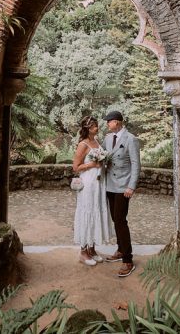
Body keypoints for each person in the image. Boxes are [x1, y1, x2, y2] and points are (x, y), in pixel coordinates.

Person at [102, 109, 141, 277]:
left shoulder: (131, 139)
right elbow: (103, 158)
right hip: (110, 185)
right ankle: (119, 249)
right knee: (115, 219)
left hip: (123, 186)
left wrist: (131, 187)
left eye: (108, 122)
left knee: (120, 220)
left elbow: (136, 164)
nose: (107, 124)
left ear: (116, 121)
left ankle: (128, 259)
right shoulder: (107, 138)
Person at [71, 115, 114, 266]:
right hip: (88, 184)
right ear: (88, 129)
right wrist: (92, 165)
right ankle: (83, 252)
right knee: (88, 212)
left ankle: (92, 248)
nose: (98, 128)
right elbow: (75, 167)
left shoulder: (96, 141)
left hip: (99, 184)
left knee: (97, 211)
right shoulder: (83, 145)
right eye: (95, 126)